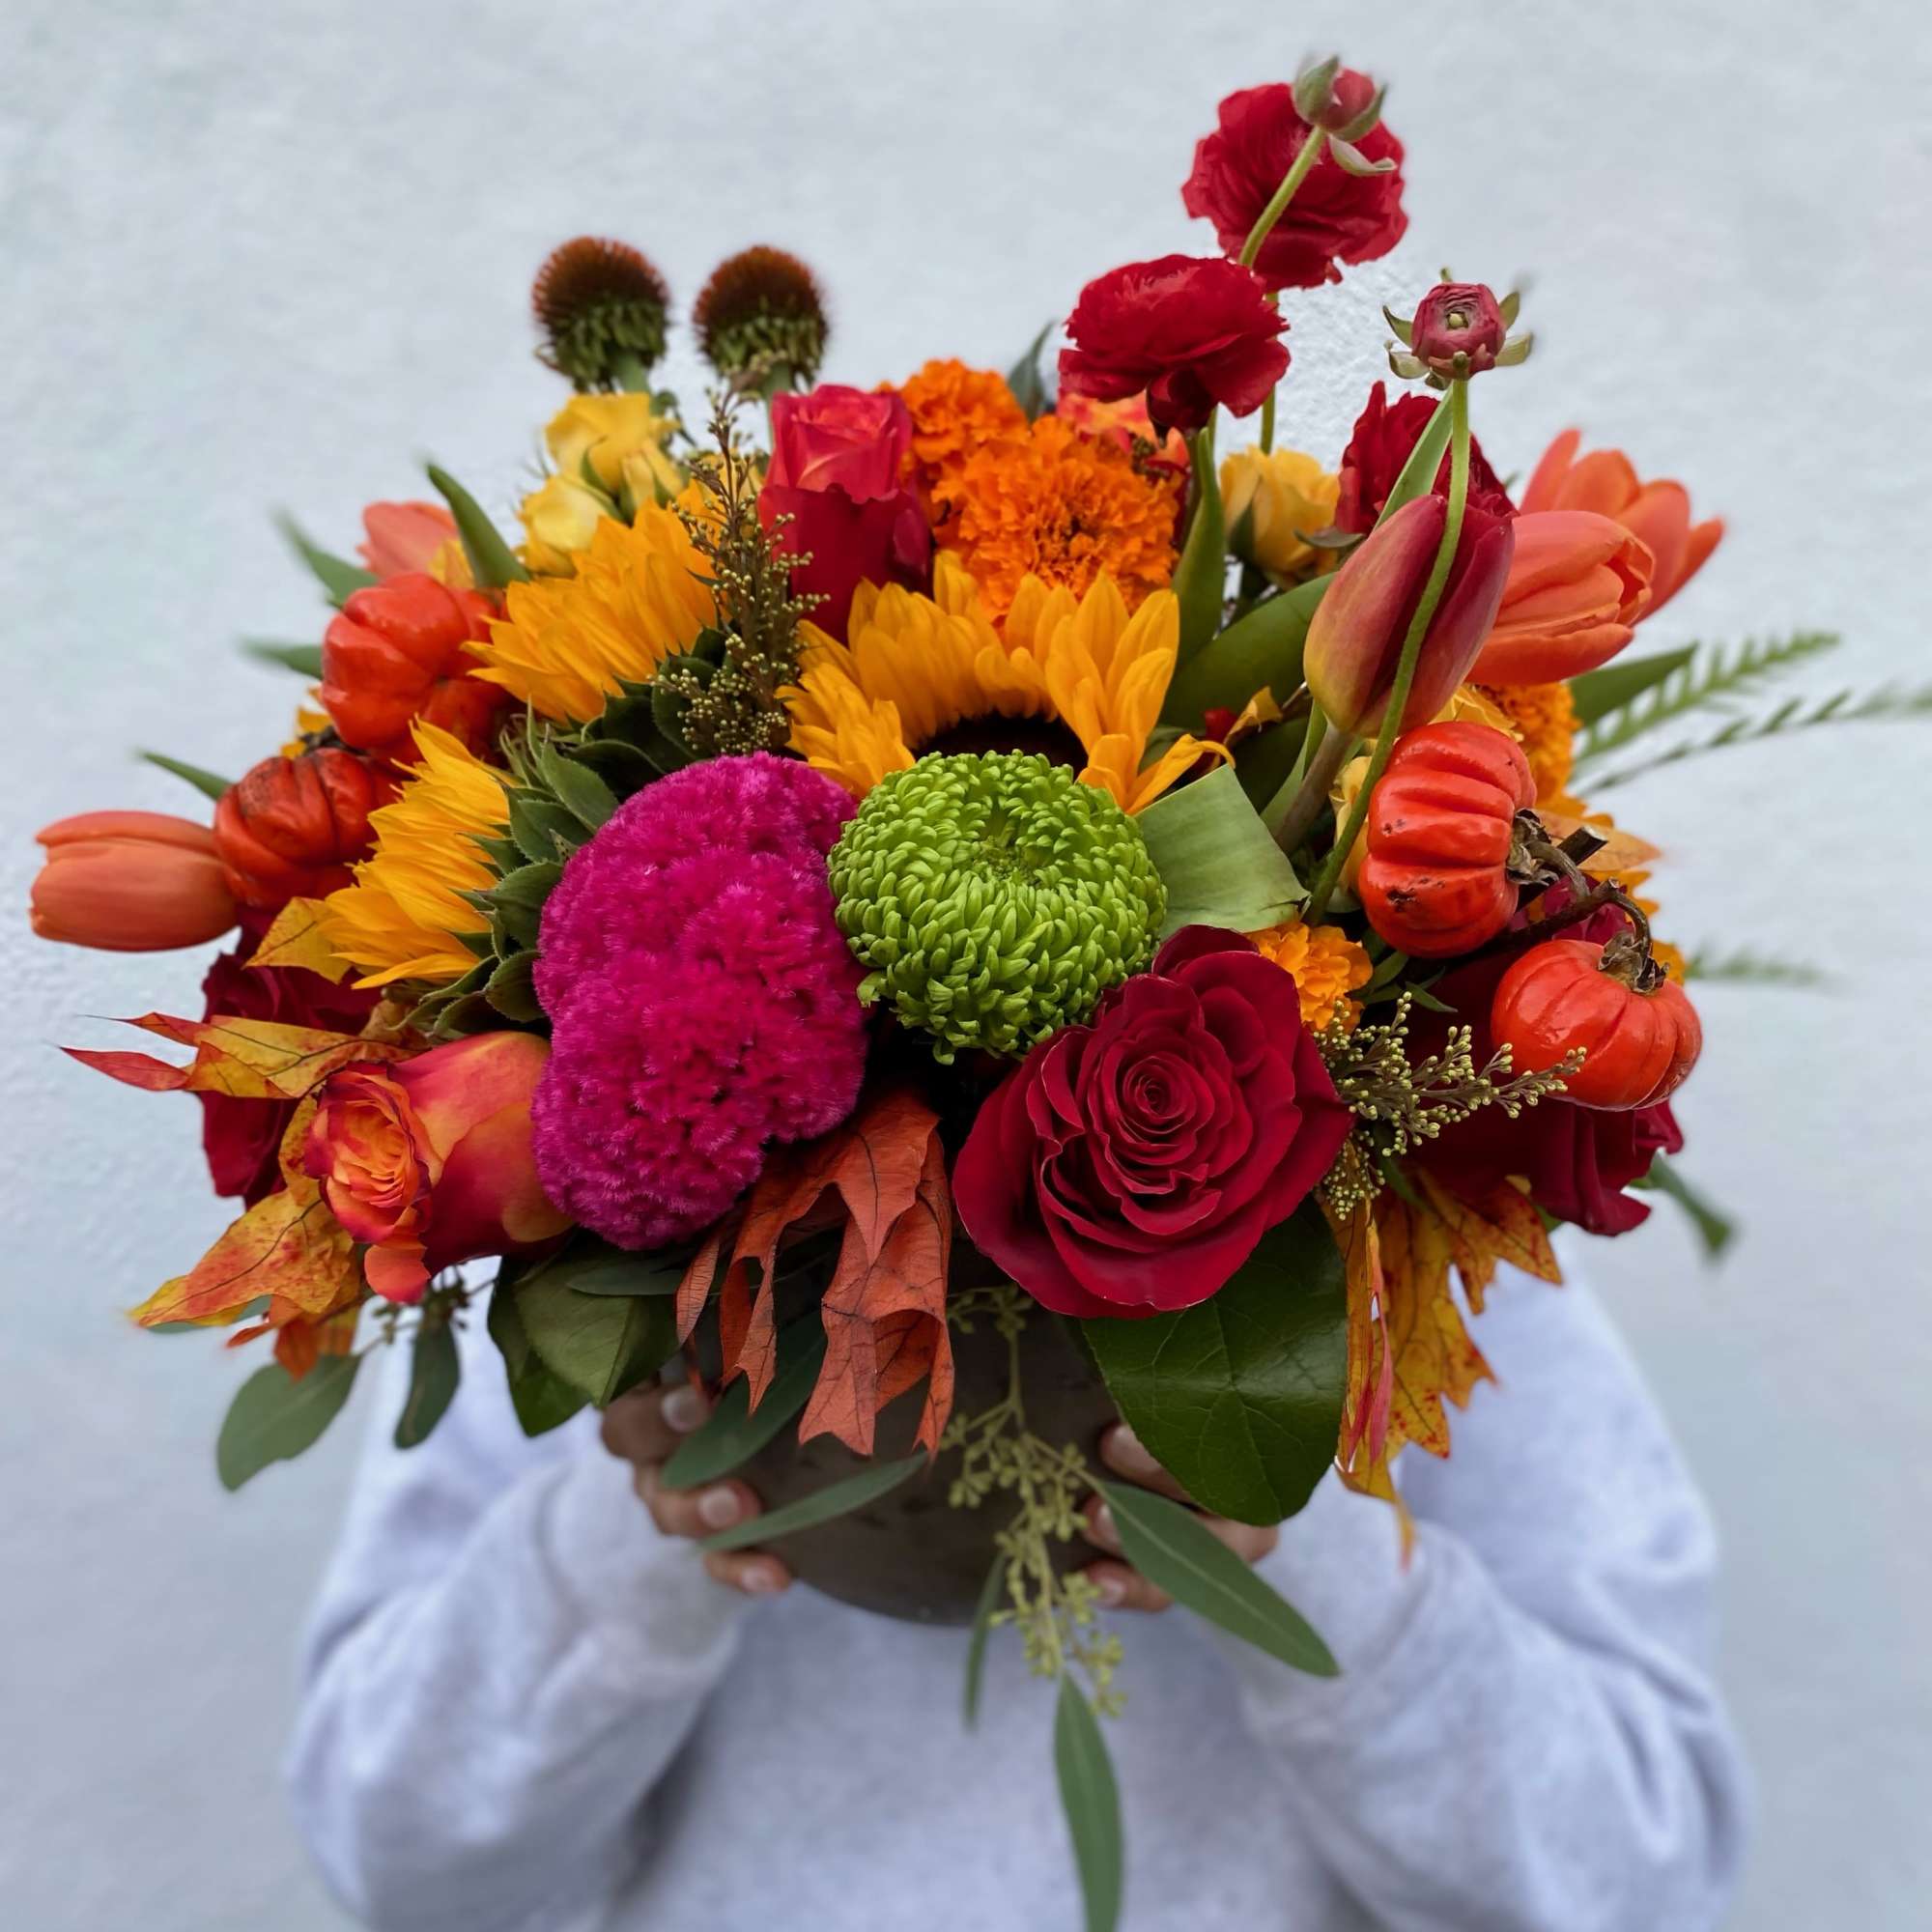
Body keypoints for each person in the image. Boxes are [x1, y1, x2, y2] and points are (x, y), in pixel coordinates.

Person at [288, 1259, 1749, 1931]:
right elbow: (398, 1848)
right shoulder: (595, 1282)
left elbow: (1634, 1874)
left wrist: (1289, 1504)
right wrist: (660, 1513)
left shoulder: (1425, 1279)